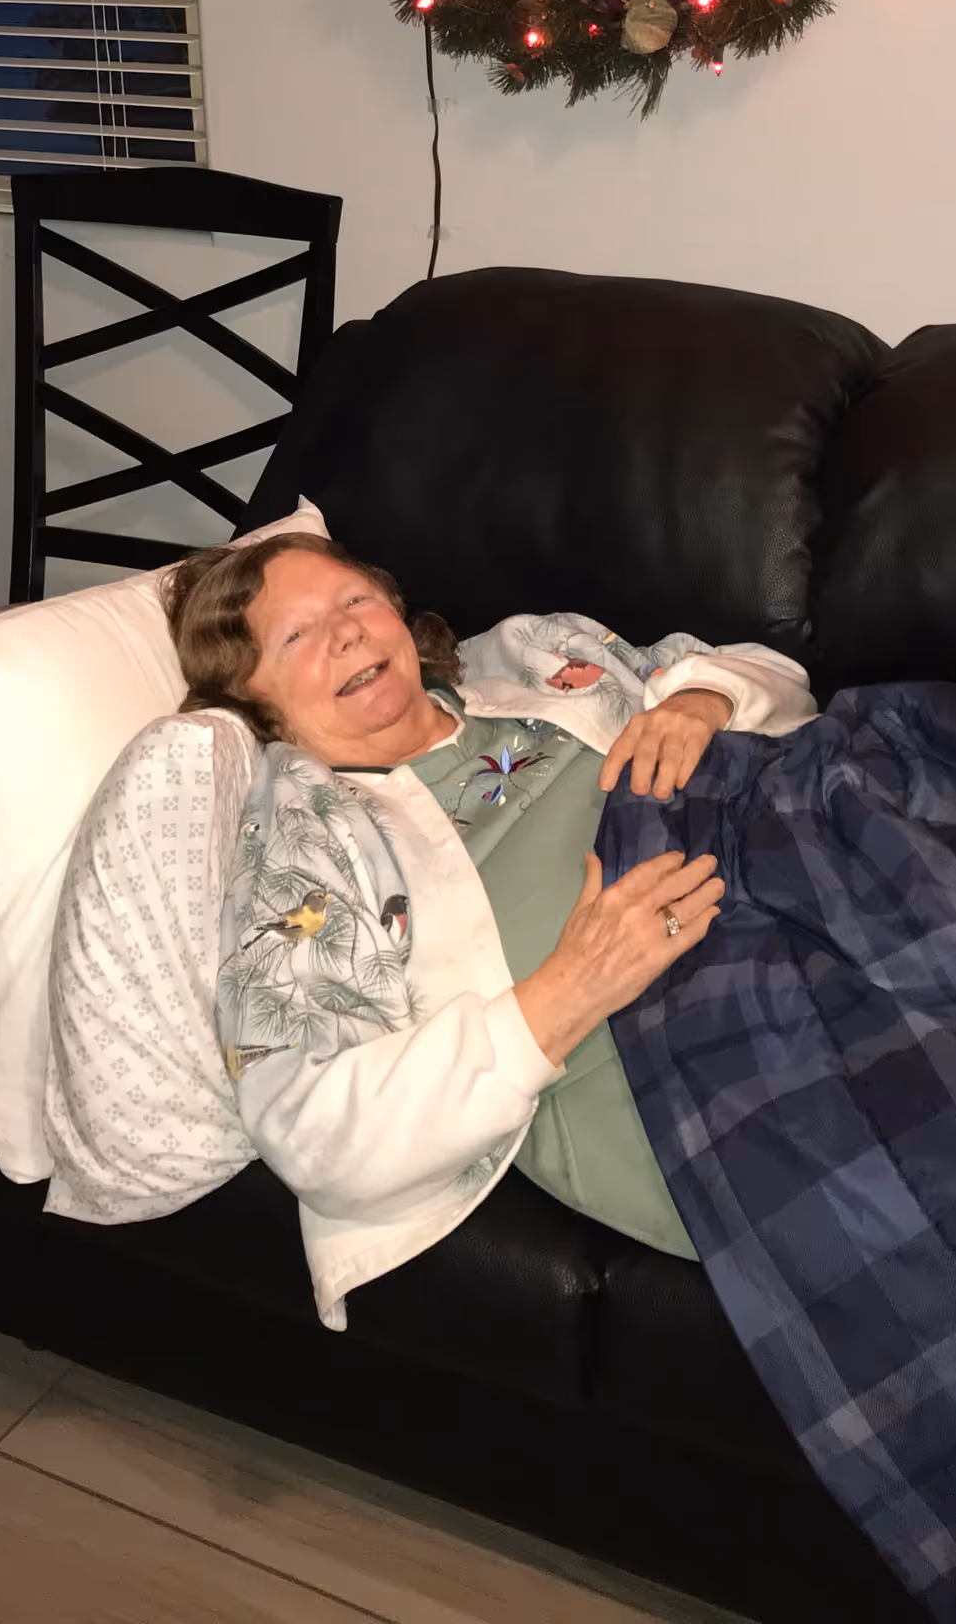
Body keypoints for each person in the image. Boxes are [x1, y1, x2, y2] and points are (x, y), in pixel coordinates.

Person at [172, 529, 815, 1325]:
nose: (345, 631)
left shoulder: (529, 659)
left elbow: (784, 680)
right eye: (296, 635)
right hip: (701, 1064)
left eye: (355, 600)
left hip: (812, 885)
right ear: (251, 700)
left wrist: (698, 702)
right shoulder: (309, 847)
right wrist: (570, 989)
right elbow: (309, 1126)